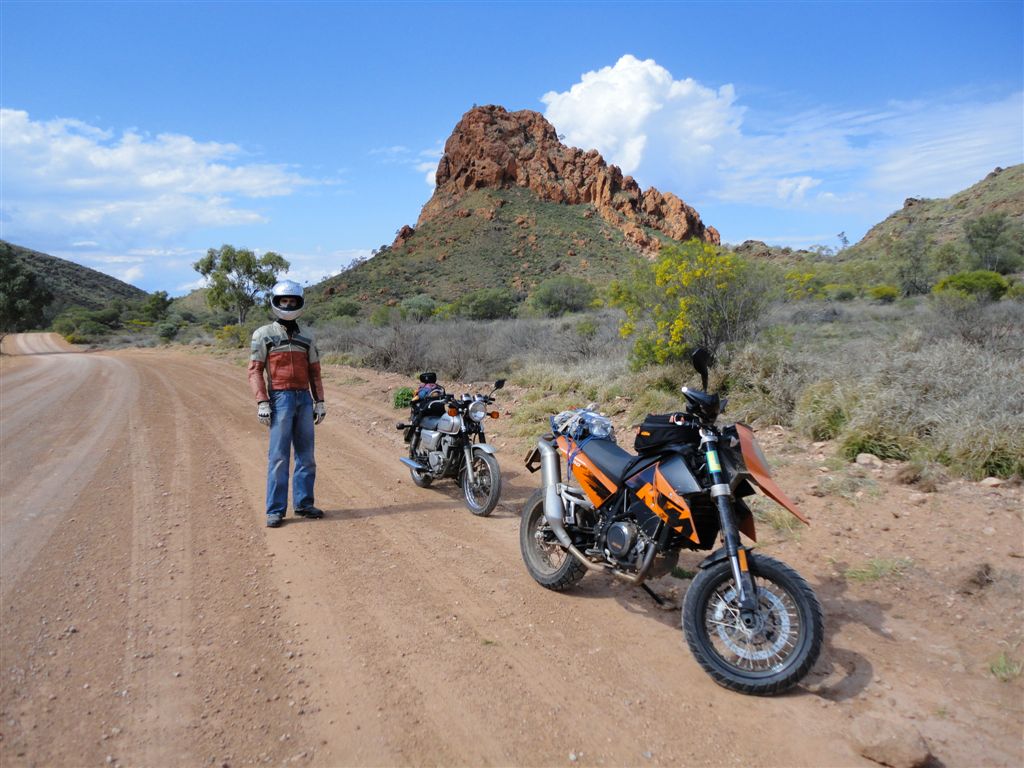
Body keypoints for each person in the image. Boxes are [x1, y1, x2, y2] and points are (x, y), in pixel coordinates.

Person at [248, 280, 327, 528]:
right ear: (276, 302)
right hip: (279, 398)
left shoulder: (307, 336)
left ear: (299, 303)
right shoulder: (263, 334)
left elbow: (315, 371)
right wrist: (262, 401)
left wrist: (320, 401)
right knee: (279, 457)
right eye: (284, 301)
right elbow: (254, 371)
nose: (288, 304)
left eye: (292, 301)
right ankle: (275, 510)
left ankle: (303, 504)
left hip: (304, 398)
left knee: (306, 456)